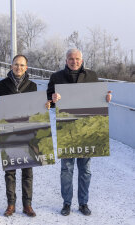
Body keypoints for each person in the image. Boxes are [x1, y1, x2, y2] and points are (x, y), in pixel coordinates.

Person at [47, 48, 112, 216]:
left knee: (85, 170)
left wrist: (106, 98)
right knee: (66, 170)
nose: (74, 61)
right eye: (70, 59)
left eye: (77, 59)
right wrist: (52, 99)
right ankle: (66, 203)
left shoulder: (92, 75)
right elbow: (47, 101)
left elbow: (98, 98)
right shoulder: (56, 77)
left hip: (86, 129)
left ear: (81, 60)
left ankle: (83, 203)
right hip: (67, 129)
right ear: (66, 60)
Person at [0, 55, 37, 217]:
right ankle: (11, 204)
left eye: (22, 65)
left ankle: (27, 204)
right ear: (11, 66)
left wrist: (44, 106)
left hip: (26, 130)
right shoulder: (2, 85)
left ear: (26, 67)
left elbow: (35, 109)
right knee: (10, 170)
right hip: (8, 130)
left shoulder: (32, 86)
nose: (18, 67)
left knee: (27, 170)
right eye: (16, 64)